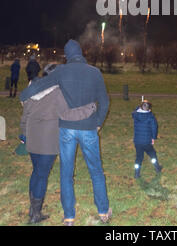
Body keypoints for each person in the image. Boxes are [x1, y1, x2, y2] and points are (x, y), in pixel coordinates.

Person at [20, 39, 111, 226]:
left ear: (67, 55)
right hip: (88, 128)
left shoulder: (61, 71)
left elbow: (40, 85)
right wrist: (98, 123)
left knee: (66, 173)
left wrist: (23, 95)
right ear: (81, 53)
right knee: (96, 170)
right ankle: (103, 211)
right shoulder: (95, 72)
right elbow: (105, 101)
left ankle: (69, 217)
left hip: (66, 128)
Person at [132, 100, 162, 179]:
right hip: (146, 141)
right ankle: (157, 167)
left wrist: (139, 106)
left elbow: (134, 111)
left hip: (137, 141)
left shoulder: (136, 115)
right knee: (152, 154)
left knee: (139, 157)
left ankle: (136, 173)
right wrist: (153, 137)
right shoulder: (151, 117)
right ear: (149, 108)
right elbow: (154, 128)